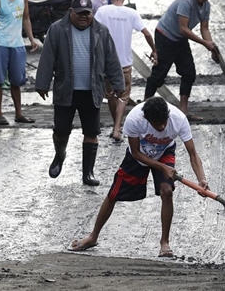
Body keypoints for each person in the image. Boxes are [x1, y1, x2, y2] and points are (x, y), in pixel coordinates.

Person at [69, 97, 209, 257]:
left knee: (167, 191)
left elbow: (193, 154)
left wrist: (201, 179)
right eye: (157, 125)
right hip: (140, 155)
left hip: (165, 152)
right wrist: (162, 167)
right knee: (113, 194)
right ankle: (93, 237)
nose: (162, 127)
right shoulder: (135, 119)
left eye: (164, 122)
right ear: (147, 119)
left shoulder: (179, 119)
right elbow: (135, 152)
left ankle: (165, 243)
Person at [35, 0, 124, 186]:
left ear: (92, 14)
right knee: (60, 130)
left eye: (87, 14)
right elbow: (47, 57)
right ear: (70, 13)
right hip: (65, 88)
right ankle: (59, 155)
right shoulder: (57, 30)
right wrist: (42, 83)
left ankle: (88, 173)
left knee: (92, 132)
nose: (83, 17)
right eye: (79, 14)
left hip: (92, 90)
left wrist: (118, 83)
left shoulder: (101, 30)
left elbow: (111, 58)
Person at [144, 0, 217, 121]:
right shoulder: (186, 1)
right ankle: (145, 109)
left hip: (180, 39)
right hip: (165, 36)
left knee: (189, 73)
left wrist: (211, 46)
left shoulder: (206, 6)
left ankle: (184, 110)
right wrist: (204, 43)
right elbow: (183, 29)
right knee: (159, 75)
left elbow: (205, 28)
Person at [95, 0, 157, 142]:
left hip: (106, 62)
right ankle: (117, 128)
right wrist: (154, 50)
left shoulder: (103, 11)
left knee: (110, 96)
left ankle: (114, 126)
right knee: (123, 96)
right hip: (124, 63)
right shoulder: (131, 13)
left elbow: (93, 31)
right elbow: (147, 33)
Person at [0, 0, 40, 126]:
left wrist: (31, 38)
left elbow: (26, 18)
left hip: (17, 44)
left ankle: (19, 113)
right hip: (0, 44)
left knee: (17, 80)